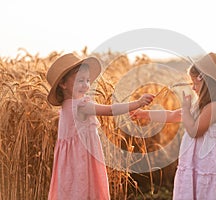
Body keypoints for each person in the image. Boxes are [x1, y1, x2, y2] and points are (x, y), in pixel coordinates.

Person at [132, 52, 216, 199]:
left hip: (207, 162)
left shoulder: (215, 107)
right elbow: (172, 115)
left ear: (208, 84)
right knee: (193, 189)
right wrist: (144, 114)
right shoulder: (199, 106)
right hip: (194, 160)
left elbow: (194, 131)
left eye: (195, 84)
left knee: (207, 190)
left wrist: (185, 109)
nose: (193, 88)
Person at [46, 53, 154, 200]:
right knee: (85, 189)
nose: (85, 85)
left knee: (71, 190)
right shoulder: (81, 106)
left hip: (69, 164)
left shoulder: (65, 106)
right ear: (63, 84)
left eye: (87, 80)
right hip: (82, 160)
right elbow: (110, 110)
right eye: (80, 81)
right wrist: (137, 103)